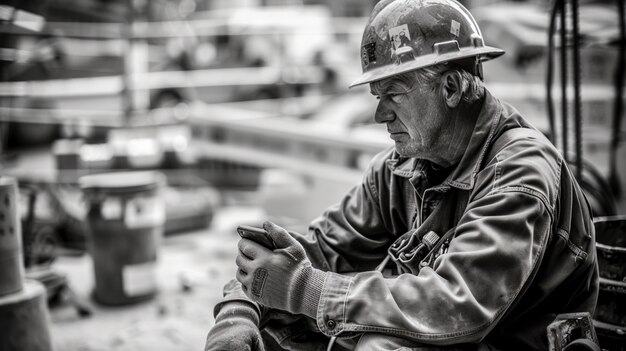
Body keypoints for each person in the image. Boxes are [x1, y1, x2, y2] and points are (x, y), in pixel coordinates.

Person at [205, 0, 599, 350]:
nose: (380, 115)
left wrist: (305, 289)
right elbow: (318, 252)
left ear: (450, 87)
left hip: (511, 340)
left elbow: (455, 306)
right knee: (279, 314)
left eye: (393, 94)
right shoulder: (401, 167)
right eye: (377, 97)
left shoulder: (520, 170)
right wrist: (240, 310)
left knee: (380, 342)